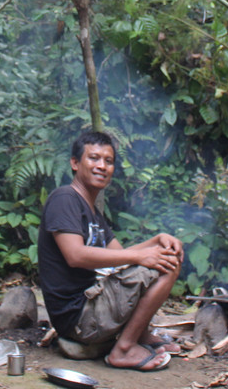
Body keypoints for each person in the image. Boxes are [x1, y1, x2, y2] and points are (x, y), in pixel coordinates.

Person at [37, 130, 184, 372]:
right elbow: (76, 256)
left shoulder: (92, 211)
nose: (102, 166)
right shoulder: (64, 199)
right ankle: (124, 348)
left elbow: (119, 256)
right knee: (168, 266)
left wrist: (156, 241)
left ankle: (140, 336)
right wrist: (141, 255)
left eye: (109, 161)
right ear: (75, 163)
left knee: (167, 254)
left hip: (93, 306)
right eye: (93, 158)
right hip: (78, 318)